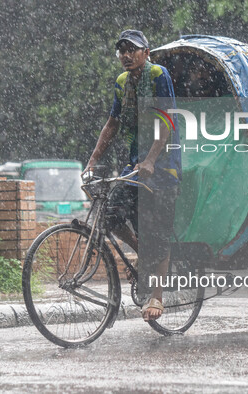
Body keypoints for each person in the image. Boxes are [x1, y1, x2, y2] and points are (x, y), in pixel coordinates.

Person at [83, 30, 181, 322]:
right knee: (109, 213)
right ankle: (144, 254)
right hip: (136, 165)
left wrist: (151, 160)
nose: (126, 55)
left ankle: (157, 296)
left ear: (146, 52)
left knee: (159, 230)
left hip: (163, 165)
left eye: (132, 50)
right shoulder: (122, 83)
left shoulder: (158, 75)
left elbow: (166, 119)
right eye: (121, 50)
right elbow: (112, 123)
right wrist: (91, 161)